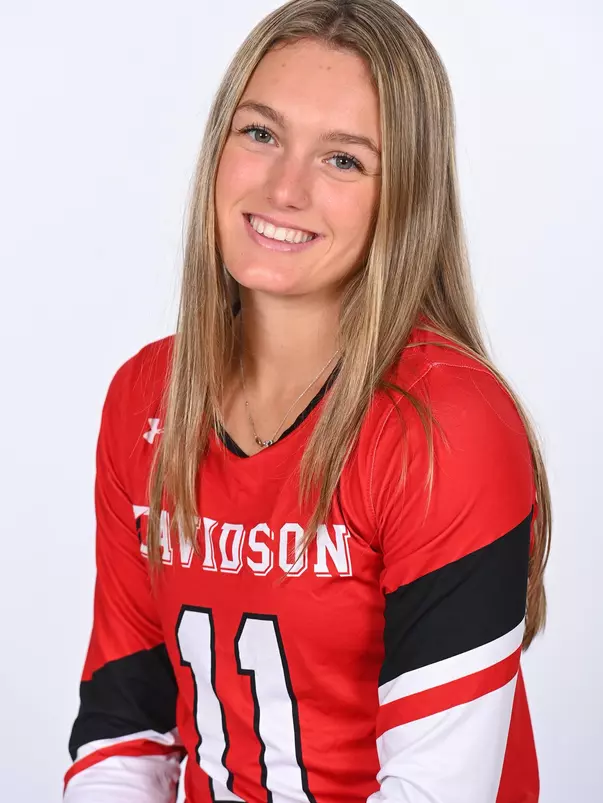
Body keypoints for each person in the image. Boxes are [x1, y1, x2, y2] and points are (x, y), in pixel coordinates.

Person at [63, 1, 552, 801]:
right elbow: (124, 731)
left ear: (406, 196)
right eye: (260, 134)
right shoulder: (145, 397)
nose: (284, 188)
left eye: (343, 160)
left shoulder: (446, 424)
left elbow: (437, 791)